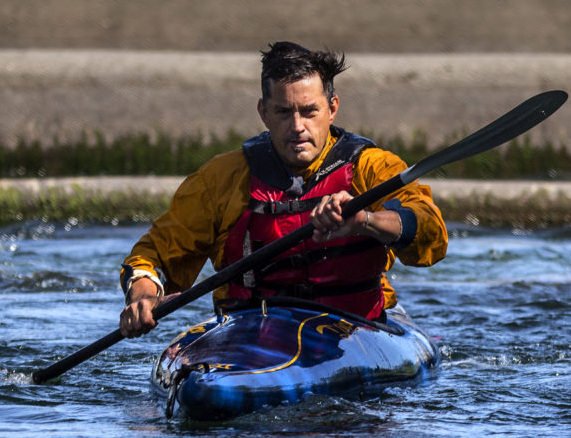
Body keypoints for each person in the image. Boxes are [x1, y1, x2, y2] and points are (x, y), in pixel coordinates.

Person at [118, 41, 448, 338]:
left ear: (332, 109)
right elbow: (151, 256)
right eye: (283, 112)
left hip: (357, 327)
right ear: (263, 112)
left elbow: (430, 230)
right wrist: (143, 296)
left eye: (309, 111)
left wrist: (365, 221)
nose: (297, 127)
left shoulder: (372, 168)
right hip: (252, 333)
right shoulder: (222, 178)